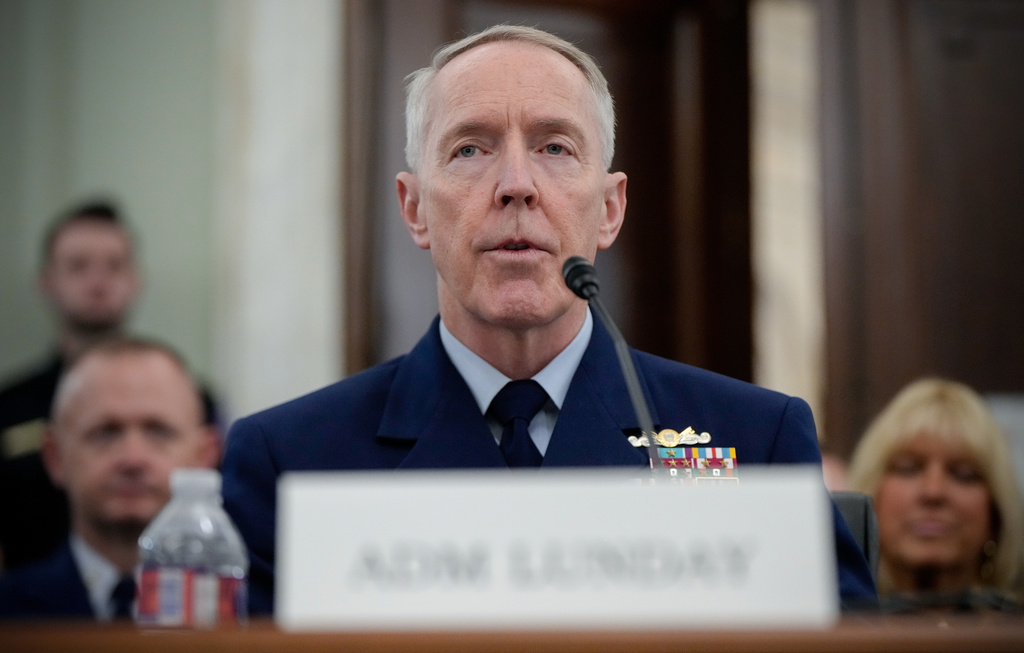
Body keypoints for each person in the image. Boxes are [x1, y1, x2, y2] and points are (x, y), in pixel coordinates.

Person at [221, 24, 876, 614]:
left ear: (610, 208)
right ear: (415, 207)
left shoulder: (754, 439)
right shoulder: (290, 462)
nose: (516, 183)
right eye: (470, 149)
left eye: (555, 147)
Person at [0, 200, 217, 570]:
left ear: (135, 279)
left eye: (114, 266)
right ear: (47, 281)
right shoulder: (11, 407)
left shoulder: (192, 397)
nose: (98, 282)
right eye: (79, 266)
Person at [0, 338, 219, 620]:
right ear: (55, 457)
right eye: (106, 432)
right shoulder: (7, 618)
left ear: (205, 456)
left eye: (158, 432)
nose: (132, 459)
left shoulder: (253, 618)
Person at [848, 378, 1024, 611]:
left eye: (963, 474)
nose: (934, 492)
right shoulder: (821, 637)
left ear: (997, 514)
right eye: (908, 468)